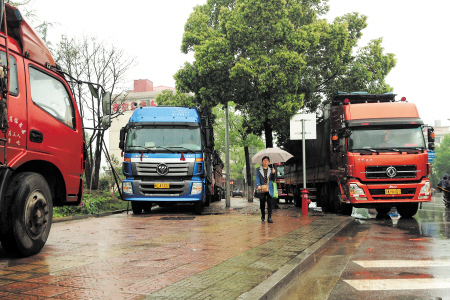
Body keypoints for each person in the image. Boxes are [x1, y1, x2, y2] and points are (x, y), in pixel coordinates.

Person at [255, 156, 276, 223]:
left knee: (270, 203)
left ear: (269, 162)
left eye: (267, 160)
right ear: (262, 162)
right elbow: (257, 178)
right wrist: (258, 185)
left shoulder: (271, 169)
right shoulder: (258, 169)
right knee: (262, 203)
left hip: (269, 188)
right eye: (264, 160)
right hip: (262, 188)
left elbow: (273, 179)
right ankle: (263, 215)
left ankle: (269, 217)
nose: (265, 162)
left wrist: (273, 173)